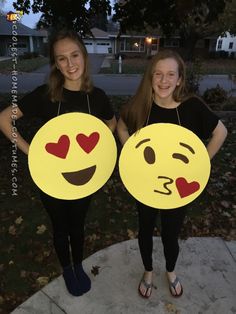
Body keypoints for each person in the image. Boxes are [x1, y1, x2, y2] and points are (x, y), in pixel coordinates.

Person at [0, 29, 116, 296]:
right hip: (50, 178)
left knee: (78, 224)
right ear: (55, 63)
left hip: (86, 176)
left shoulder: (96, 97)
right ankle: (67, 268)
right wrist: (32, 151)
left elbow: (111, 124)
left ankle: (78, 264)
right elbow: (4, 118)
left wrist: (100, 145)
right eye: (61, 58)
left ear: (84, 56)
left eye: (74, 55)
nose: (70, 63)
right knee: (60, 226)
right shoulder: (46, 95)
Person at [117, 49, 227, 298]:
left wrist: (200, 163)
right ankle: (147, 271)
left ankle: (170, 270)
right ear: (150, 77)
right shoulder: (140, 106)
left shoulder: (192, 107)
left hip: (179, 187)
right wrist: (131, 152)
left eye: (170, 74)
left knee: (171, 233)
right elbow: (121, 126)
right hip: (145, 184)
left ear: (179, 79)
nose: (163, 80)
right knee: (145, 229)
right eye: (158, 74)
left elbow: (220, 132)